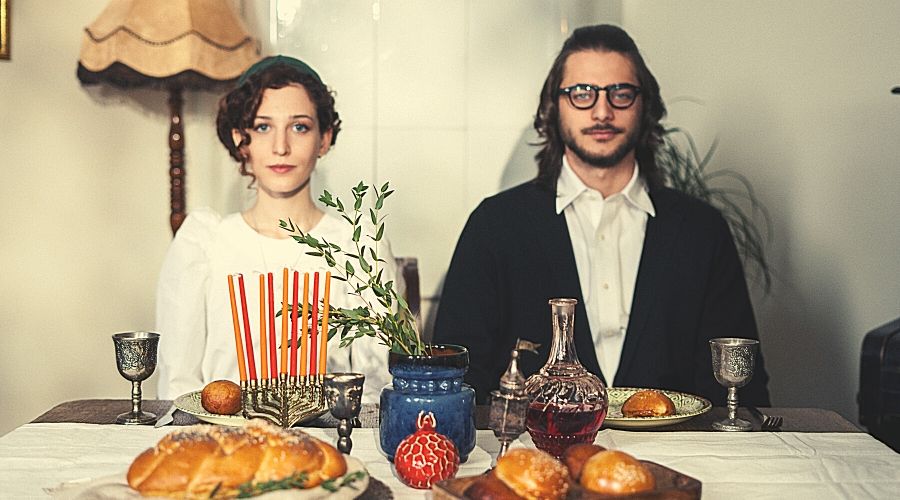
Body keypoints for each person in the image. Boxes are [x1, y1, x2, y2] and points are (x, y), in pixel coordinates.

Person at [432, 25, 770, 407]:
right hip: (540, 456)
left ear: (646, 106)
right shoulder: (494, 226)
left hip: (679, 457)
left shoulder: (701, 231)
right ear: (553, 107)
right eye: (581, 94)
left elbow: (743, 389)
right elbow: (456, 380)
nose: (602, 111)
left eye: (621, 94)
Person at [156, 55, 396, 403]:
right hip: (226, 444)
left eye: (299, 127)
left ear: (324, 139)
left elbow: (377, 385)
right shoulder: (205, 244)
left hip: (328, 443)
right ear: (242, 140)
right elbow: (179, 386)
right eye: (263, 127)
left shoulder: (357, 249)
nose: (281, 147)